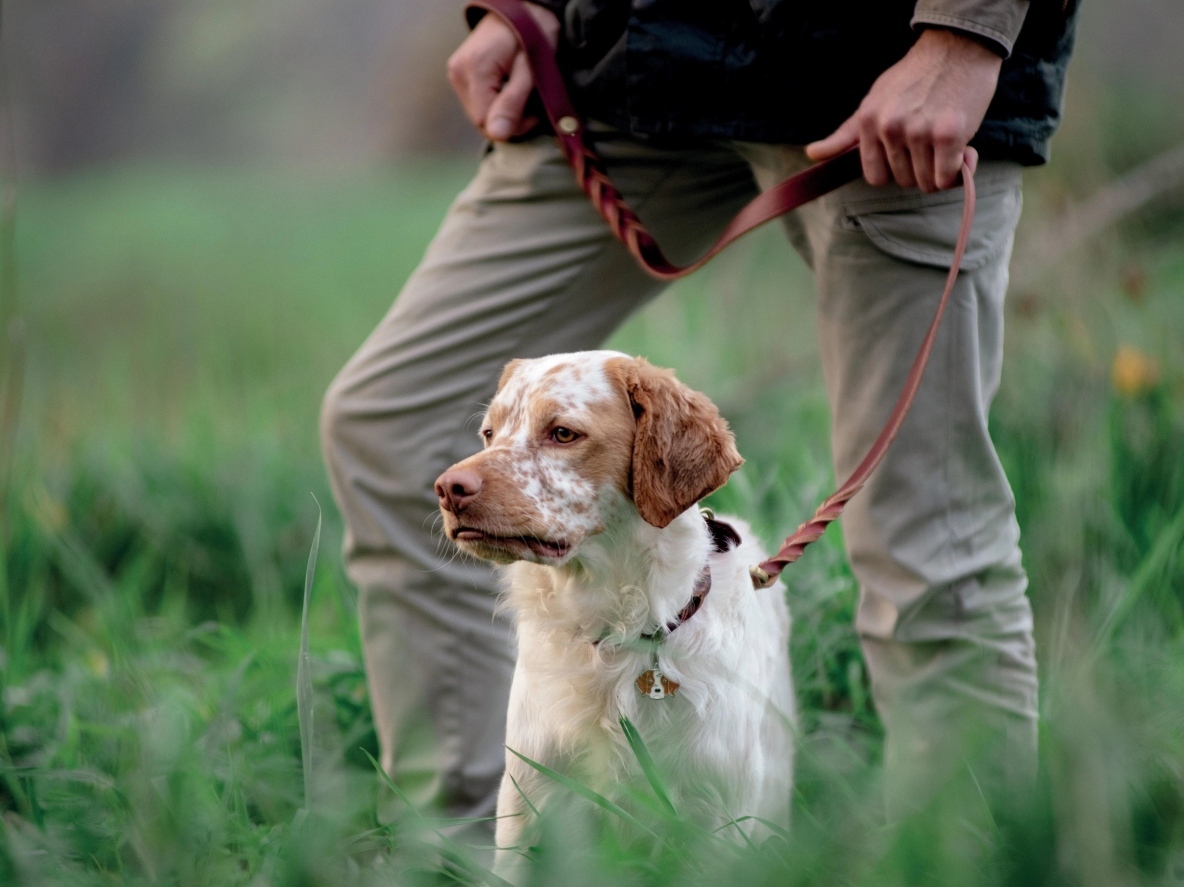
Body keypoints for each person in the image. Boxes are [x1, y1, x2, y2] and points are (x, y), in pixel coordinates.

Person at [321, 0, 1081, 829]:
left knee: (927, 521)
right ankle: (464, 870)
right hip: (622, 71)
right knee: (390, 423)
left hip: (880, 74)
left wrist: (964, 34)